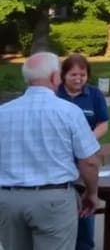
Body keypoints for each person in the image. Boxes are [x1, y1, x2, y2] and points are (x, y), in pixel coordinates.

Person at [0, 52, 101, 250]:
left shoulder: (3, 113)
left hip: (9, 199)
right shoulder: (69, 111)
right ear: (56, 77)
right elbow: (89, 161)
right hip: (53, 200)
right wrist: (92, 193)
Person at [56, 54, 110, 250]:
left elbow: (103, 124)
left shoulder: (94, 95)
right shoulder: (54, 94)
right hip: (59, 160)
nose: (78, 79)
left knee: (84, 207)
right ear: (63, 75)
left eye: (83, 75)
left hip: (85, 158)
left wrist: (87, 140)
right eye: (73, 75)